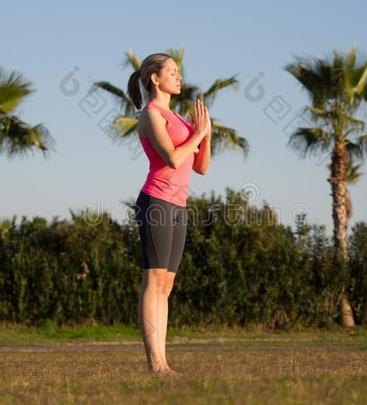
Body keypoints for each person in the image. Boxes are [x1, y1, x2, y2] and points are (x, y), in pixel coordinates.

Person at [127, 53, 212, 375]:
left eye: (179, 72)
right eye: (172, 72)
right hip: (156, 203)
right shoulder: (151, 114)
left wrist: (207, 131)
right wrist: (198, 135)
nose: (179, 77)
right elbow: (173, 159)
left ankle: (163, 362)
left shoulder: (179, 119)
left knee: (167, 285)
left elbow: (201, 167)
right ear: (154, 79)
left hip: (179, 206)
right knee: (153, 281)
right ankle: (156, 364)